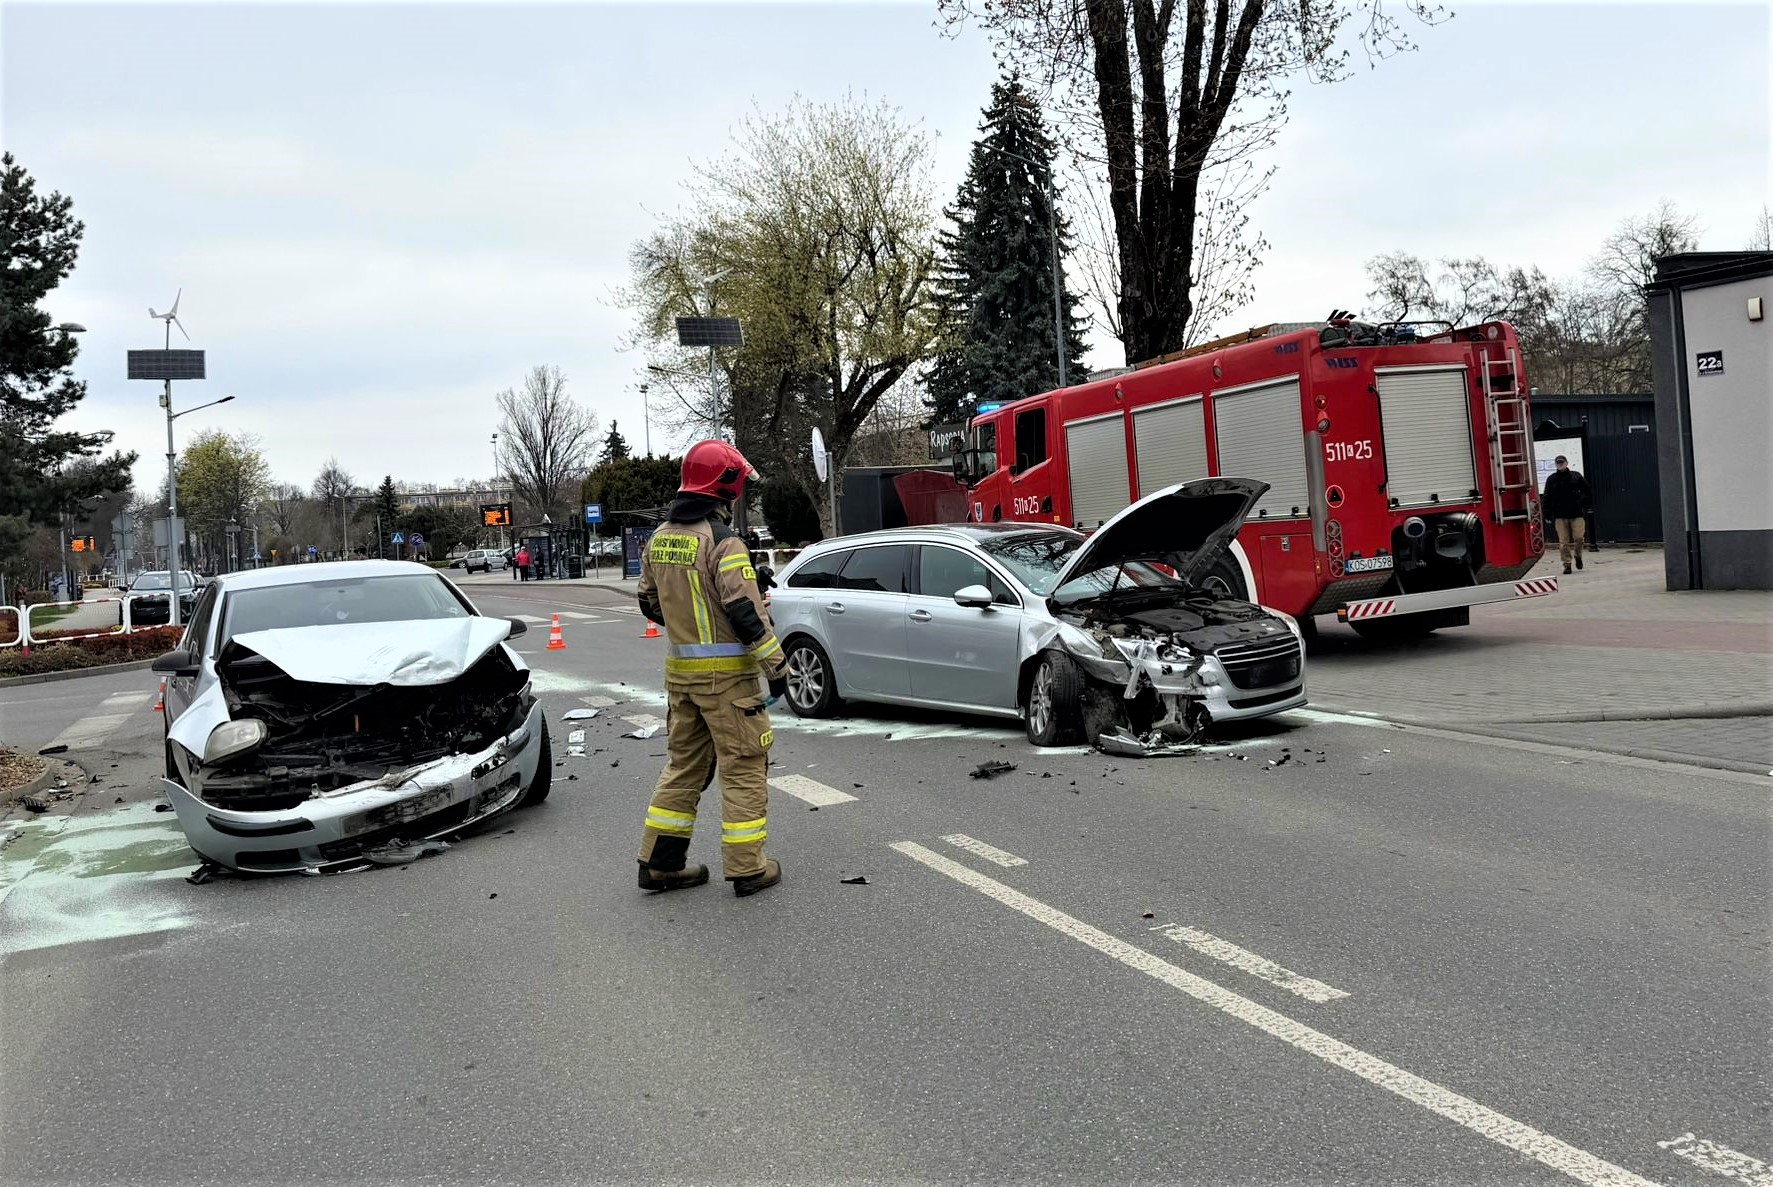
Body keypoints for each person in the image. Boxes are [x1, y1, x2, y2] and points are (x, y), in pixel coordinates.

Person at [635, 440, 788, 898]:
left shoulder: (660, 539)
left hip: (682, 681)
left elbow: (649, 601)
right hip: (729, 686)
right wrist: (777, 668)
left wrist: (691, 620)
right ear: (727, 487)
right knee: (743, 767)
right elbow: (745, 615)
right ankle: (748, 868)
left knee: (684, 767)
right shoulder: (724, 542)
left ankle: (659, 865)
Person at [1541, 455, 1593, 575]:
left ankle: (1578, 556)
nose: (1560, 464)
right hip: (1560, 515)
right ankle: (1567, 564)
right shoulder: (1551, 479)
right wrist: (1547, 514)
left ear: (1566, 463)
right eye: (1558, 463)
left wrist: (1582, 502)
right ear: (1555, 464)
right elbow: (1547, 497)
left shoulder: (1576, 476)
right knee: (1563, 542)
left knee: (1579, 538)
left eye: (1562, 462)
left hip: (1576, 513)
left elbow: (1587, 490)